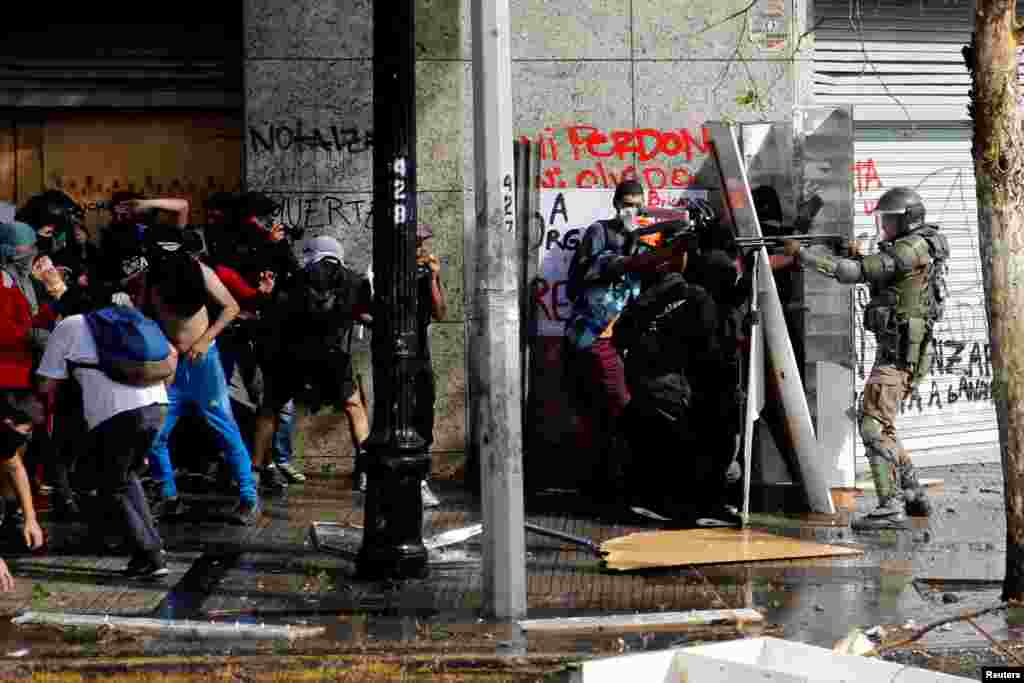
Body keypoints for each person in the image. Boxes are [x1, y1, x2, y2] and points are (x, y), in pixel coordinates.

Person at [783, 187, 947, 528]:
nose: (884, 226)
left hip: (897, 355)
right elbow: (880, 272)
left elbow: (852, 274)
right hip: (905, 351)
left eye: (889, 219)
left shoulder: (910, 247)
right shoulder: (922, 245)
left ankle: (890, 506)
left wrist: (804, 255)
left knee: (872, 424)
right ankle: (913, 493)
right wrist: (852, 253)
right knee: (882, 424)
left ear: (908, 220)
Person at [563, 179, 693, 498]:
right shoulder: (600, 233)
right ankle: (617, 485)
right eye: (626, 204)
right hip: (593, 335)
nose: (631, 210)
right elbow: (605, 268)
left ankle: (603, 482)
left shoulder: (642, 239)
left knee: (603, 414)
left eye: (637, 204)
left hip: (617, 339)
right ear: (616, 204)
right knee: (621, 407)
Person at [612, 231, 740, 524]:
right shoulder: (696, 297)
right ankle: (699, 507)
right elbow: (709, 352)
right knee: (699, 439)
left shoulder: (654, 293)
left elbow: (621, 336)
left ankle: (654, 501)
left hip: (644, 381)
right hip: (673, 383)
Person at [35, 311, 174, 577]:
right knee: (126, 477)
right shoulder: (133, 317)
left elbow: (45, 384)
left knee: (113, 484)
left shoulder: (69, 325)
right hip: (157, 405)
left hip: (116, 412)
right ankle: (150, 551)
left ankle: (152, 556)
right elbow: (171, 355)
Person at [140, 250, 261, 525]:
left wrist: (206, 339)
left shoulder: (202, 272)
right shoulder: (151, 279)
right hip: (170, 365)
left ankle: (248, 497)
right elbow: (141, 316)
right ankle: (169, 497)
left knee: (225, 429)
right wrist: (161, 344)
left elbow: (231, 307)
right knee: (157, 433)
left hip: (204, 364)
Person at [251, 236, 371, 493]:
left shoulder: (295, 277)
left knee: (270, 407)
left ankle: (256, 470)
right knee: (354, 406)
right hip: (332, 356)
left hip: (292, 355)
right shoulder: (355, 281)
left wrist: (267, 297)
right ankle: (365, 469)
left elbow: (276, 315)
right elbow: (364, 314)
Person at [412, 224, 447, 508]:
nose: (421, 248)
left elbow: (440, 311)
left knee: (424, 408)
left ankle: (420, 477)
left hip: (420, 352)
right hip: (396, 352)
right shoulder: (385, 271)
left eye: (422, 242)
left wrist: (434, 278)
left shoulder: (425, 273)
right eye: (416, 242)